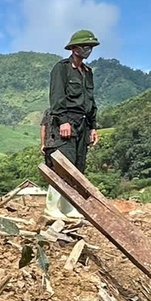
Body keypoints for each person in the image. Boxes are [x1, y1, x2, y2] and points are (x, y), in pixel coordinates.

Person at [43, 29, 100, 223]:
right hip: (66, 121)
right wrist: (63, 121)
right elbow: (57, 96)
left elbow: (91, 101)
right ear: (74, 48)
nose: (88, 50)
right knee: (63, 166)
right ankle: (51, 207)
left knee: (77, 167)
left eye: (90, 47)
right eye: (85, 46)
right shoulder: (62, 68)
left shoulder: (87, 72)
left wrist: (93, 126)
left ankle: (68, 207)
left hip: (84, 123)